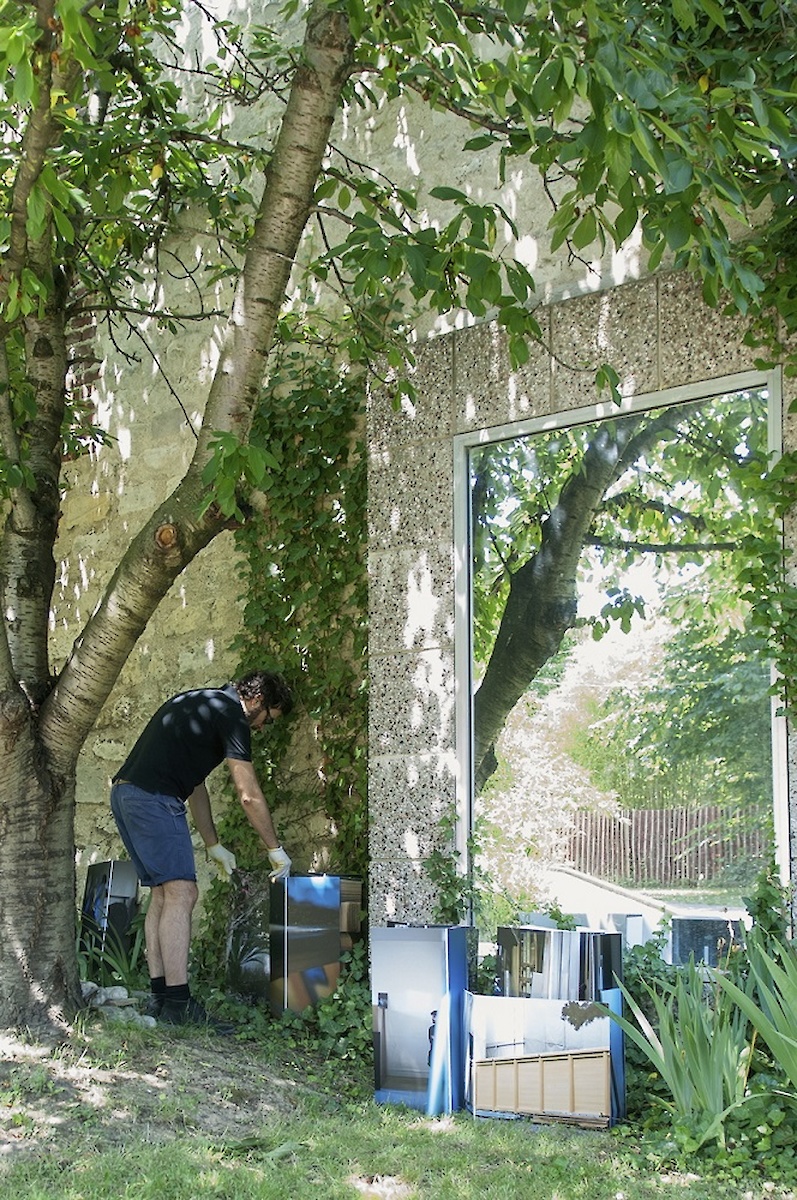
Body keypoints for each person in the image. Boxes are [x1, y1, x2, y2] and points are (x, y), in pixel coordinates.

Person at [110, 669, 293, 1031]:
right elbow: (248, 793)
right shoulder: (232, 715)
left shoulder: (201, 703)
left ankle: (162, 997)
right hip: (153, 799)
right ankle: (179, 1005)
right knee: (182, 893)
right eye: (267, 719)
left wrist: (214, 845)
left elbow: (195, 785)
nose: (261, 728)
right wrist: (275, 849)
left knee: (163, 894)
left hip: (126, 794)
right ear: (256, 701)